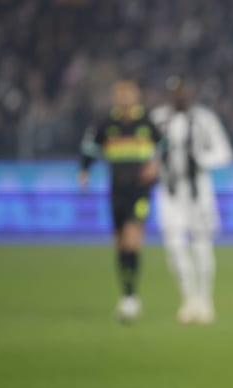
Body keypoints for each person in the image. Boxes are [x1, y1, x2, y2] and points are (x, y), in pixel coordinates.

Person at [150, 76, 233, 324]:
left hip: (198, 189)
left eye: (183, 91)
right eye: (175, 91)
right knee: (174, 245)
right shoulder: (158, 118)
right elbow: (148, 149)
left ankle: (205, 301)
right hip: (170, 190)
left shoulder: (203, 119)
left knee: (201, 244)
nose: (179, 95)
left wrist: (201, 158)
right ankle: (188, 300)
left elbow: (224, 152)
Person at [79, 79, 162, 322]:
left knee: (132, 240)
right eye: (120, 94)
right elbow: (89, 148)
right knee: (120, 245)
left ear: (136, 96)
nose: (124, 98)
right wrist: (84, 170)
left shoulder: (146, 123)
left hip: (140, 191)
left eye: (129, 94)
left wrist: (155, 167)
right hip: (116, 191)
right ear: (115, 97)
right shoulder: (106, 124)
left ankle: (131, 297)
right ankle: (127, 294)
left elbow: (164, 148)